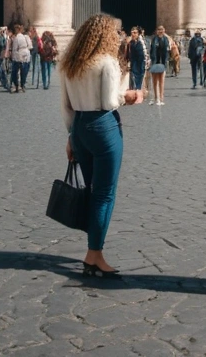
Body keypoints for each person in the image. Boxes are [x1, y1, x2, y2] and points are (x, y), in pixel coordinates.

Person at [60, 14, 144, 278]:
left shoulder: (70, 64)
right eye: (116, 33)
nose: (119, 37)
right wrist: (131, 96)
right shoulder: (106, 62)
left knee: (94, 189)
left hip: (80, 127)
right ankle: (94, 253)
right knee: (104, 194)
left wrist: (71, 137)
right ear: (106, 36)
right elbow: (110, 102)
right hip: (104, 126)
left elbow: (66, 107)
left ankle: (93, 249)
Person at [148, 26, 171, 104]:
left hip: (162, 62)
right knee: (154, 81)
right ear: (156, 31)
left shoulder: (166, 39)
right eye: (159, 30)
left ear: (164, 30)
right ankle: (155, 97)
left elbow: (168, 51)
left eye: (162, 30)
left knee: (161, 81)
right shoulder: (154, 39)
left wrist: (166, 60)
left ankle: (161, 98)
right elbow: (151, 50)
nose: (160, 31)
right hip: (155, 62)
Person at [7, 24, 32, 92]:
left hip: (18, 55)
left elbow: (15, 48)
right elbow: (30, 46)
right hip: (26, 55)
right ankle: (22, 84)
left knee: (15, 71)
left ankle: (17, 85)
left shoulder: (16, 38)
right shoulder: (26, 37)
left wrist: (13, 56)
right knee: (24, 71)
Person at [126, 27, 147, 93]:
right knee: (134, 79)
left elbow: (145, 53)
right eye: (132, 33)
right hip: (133, 63)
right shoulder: (130, 43)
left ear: (138, 34)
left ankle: (139, 92)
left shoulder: (142, 42)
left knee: (140, 79)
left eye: (135, 33)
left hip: (141, 63)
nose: (133, 34)